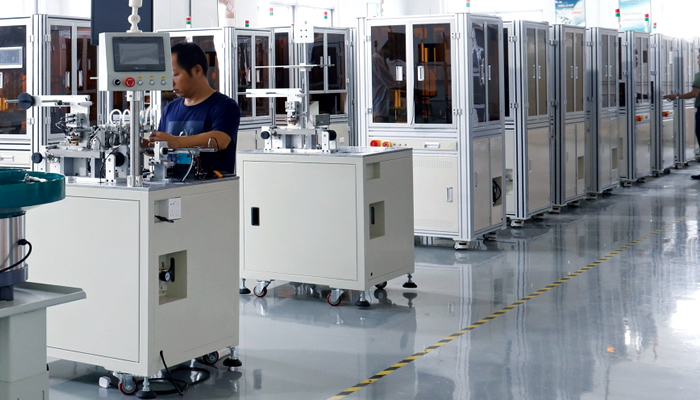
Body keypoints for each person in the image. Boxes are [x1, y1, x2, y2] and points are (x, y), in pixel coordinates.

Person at [147, 42, 240, 176]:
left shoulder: (224, 106)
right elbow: (163, 147)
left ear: (197, 70)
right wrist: (142, 144)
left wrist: (176, 141)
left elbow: (220, 140)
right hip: (171, 184)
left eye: (175, 75)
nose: (170, 82)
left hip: (210, 185)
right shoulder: (170, 109)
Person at [664, 53, 700, 179]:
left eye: (699, 58)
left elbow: (695, 93)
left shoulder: (699, 75)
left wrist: (677, 97)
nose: (697, 60)